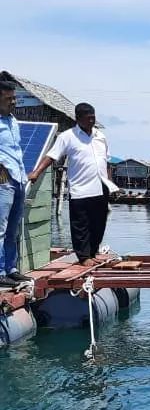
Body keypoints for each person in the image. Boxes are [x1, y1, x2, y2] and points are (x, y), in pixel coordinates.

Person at [29, 102, 118, 266]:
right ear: (78, 119)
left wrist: (110, 182)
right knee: (80, 225)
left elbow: (107, 161)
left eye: (93, 118)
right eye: (88, 118)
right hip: (80, 188)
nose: (92, 121)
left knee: (99, 223)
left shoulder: (100, 136)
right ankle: (83, 257)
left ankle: (92, 252)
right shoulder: (67, 137)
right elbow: (52, 156)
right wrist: (36, 172)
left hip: (101, 186)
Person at [0, 81, 30, 288]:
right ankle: (0, 271)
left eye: (14, 98)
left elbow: (16, 151)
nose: (13, 102)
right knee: (0, 229)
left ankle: (11, 269)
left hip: (18, 178)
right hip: (2, 181)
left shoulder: (13, 121)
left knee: (13, 229)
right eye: (8, 98)